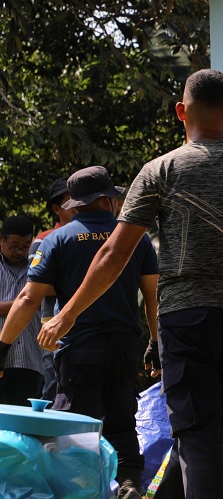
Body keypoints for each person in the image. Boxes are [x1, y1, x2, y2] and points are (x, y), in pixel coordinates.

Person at [37, 69, 223, 499]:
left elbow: (113, 254)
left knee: (197, 432)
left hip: (187, 318)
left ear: (180, 111)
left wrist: (67, 313)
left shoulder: (161, 170)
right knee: (200, 430)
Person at [0, 166, 158, 499]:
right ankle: (129, 484)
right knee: (122, 419)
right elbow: (153, 297)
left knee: (76, 426)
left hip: (78, 349)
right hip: (124, 346)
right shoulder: (135, 238)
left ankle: (82, 489)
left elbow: (29, 298)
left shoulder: (56, 240)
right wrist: (156, 342)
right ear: (106, 200)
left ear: (76, 204)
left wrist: (2, 346)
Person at [28, 176, 74, 400]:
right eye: (69, 201)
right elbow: (36, 287)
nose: (76, 204)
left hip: (89, 326)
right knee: (54, 386)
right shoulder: (44, 240)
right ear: (56, 208)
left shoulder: (95, 235)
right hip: (52, 325)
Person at [0, 215, 40, 406]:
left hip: (30, 360)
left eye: (25, 245)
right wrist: (23, 303)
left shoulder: (38, 268)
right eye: (14, 245)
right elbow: (32, 301)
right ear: (1, 240)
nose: (19, 251)